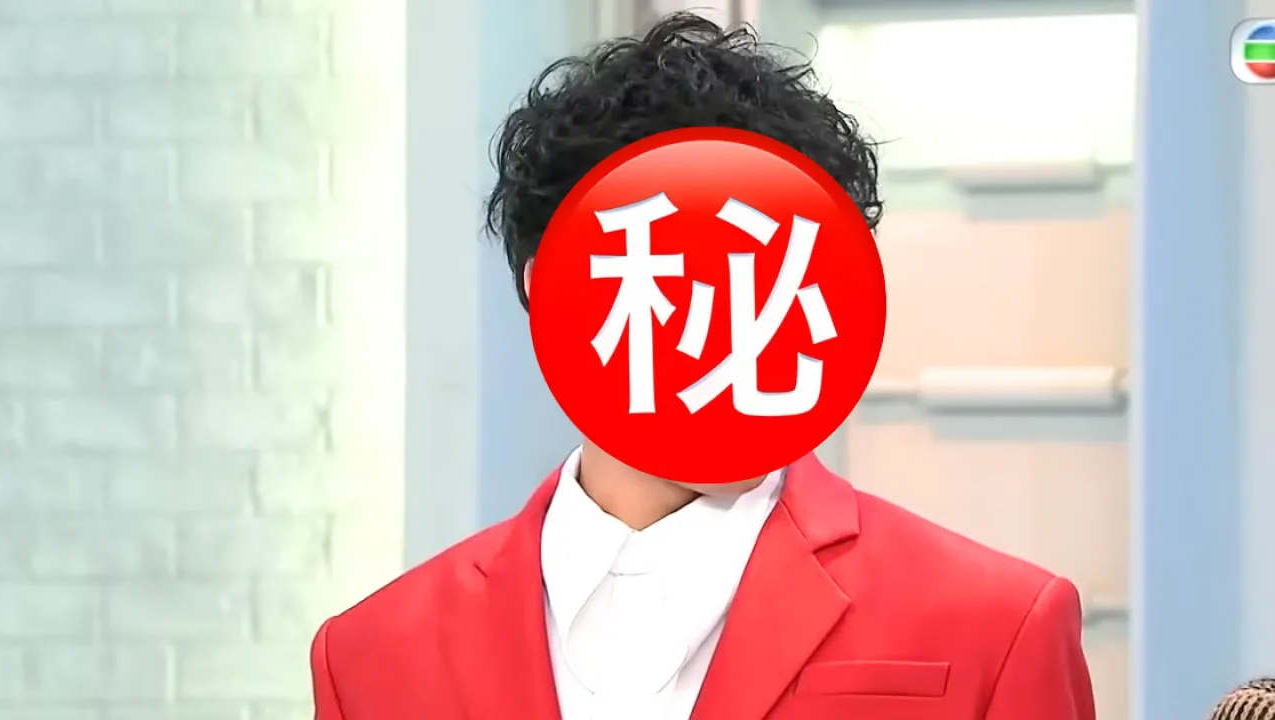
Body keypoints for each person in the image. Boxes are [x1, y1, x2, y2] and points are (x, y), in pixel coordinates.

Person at [309, 13, 1096, 720]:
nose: (716, 321)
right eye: (671, 271)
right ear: (552, 287)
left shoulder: (994, 625)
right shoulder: (373, 656)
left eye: (761, 277)